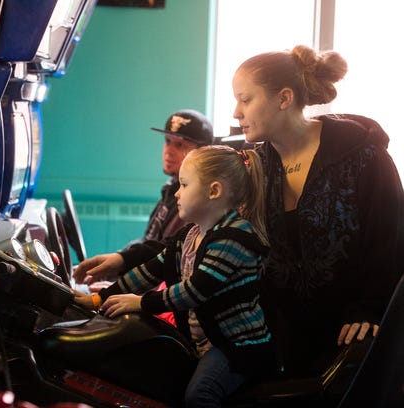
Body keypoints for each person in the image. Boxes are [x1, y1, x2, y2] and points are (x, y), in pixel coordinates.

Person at [231, 44, 404, 388]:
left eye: (245, 99)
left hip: (354, 335)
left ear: (283, 98)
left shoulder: (363, 155)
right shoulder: (254, 168)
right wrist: (126, 263)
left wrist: (369, 308)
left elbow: (391, 239)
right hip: (281, 343)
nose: (236, 112)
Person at [75, 145, 276, 407]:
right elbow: (151, 270)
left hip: (237, 347)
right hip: (207, 342)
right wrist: (99, 299)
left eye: (184, 185)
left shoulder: (235, 237)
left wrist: (140, 302)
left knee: (198, 396)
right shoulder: (190, 235)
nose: (177, 193)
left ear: (214, 191)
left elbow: (195, 291)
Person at [74, 109, 214, 289]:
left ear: (202, 152)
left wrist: (122, 285)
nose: (169, 152)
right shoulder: (171, 188)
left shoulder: (192, 201)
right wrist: (119, 260)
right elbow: (149, 242)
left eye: (180, 145)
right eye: (168, 142)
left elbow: (169, 255)